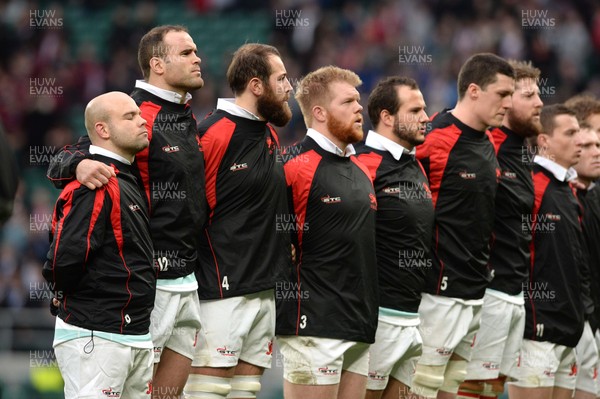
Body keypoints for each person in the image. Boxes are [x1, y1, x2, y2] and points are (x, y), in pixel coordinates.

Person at [46, 25, 207, 399]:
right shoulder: (132, 112)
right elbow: (71, 156)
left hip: (188, 278)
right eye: (186, 53)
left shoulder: (185, 115)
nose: (197, 58)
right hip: (148, 285)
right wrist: (77, 165)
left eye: (196, 51)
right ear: (157, 64)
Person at [184, 43, 293, 399]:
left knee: (246, 389)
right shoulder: (213, 134)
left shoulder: (269, 133)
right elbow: (190, 213)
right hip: (221, 291)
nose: (290, 87)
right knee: (207, 390)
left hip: (265, 290)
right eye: (281, 79)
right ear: (256, 86)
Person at [412, 53, 515, 399]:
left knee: (453, 386)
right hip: (436, 293)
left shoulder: (488, 142)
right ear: (474, 90)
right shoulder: (432, 139)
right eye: (502, 94)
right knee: (421, 386)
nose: (509, 104)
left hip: (475, 292)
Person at [42, 91, 154, 399]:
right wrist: (63, 297)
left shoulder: (125, 175)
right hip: (97, 333)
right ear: (102, 130)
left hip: (133, 333)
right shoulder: (95, 182)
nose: (142, 120)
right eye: (130, 117)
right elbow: (63, 259)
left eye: (139, 114)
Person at [275, 65, 378, 399]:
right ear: (319, 112)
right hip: (313, 323)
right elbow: (271, 240)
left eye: (358, 101)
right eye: (348, 102)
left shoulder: (361, 167)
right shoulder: (291, 165)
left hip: (359, 322)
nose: (359, 108)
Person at [458, 60, 543, 399]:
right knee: (468, 390)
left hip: (514, 293)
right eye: (528, 95)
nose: (539, 103)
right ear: (506, 104)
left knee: (491, 391)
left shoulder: (523, 154)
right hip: (487, 293)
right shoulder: (484, 147)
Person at [354, 76, 433, 399]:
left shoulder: (415, 164)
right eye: (415, 110)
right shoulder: (362, 165)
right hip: (379, 320)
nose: (426, 117)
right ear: (387, 117)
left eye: (425, 109)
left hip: (413, 316)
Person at [508, 104, 585, 399]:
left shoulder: (569, 189)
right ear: (544, 140)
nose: (579, 140)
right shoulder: (532, 185)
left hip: (569, 328)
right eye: (571, 133)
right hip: (536, 331)